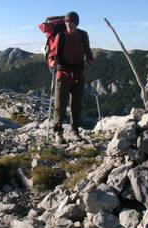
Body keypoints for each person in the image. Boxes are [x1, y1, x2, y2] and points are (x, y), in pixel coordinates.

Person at [53, 11, 94, 144]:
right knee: (60, 105)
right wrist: (62, 67)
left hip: (78, 74)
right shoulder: (61, 36)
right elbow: (57, 56)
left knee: (76, 105)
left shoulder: (83, 35)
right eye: (66, 21)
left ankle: (75, 130)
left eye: (70, 22)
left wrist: (90, 58)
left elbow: (87, 49)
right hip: (64, 74)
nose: (68, 24)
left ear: (76, 23)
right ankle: (58, 133)